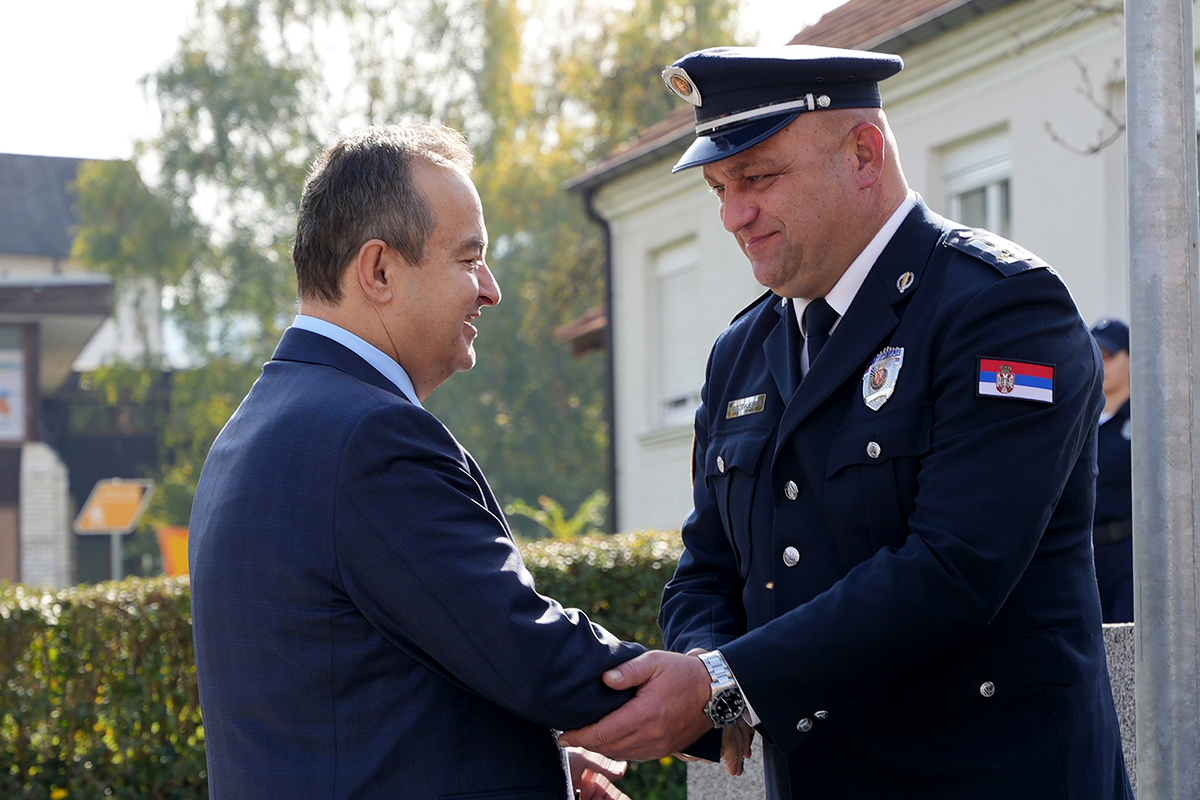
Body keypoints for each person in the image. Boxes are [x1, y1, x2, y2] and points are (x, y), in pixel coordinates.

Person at [560, 45, 1133, 799]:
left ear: (863, 154)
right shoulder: (743, 350)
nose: (734, 215)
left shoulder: (1001, 308)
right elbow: (707, 570)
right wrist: (715, 689)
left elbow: (956, 568)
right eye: (719, 188)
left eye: (758, 178)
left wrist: (721, 682)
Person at [189, 123, 641, 799]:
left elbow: (349, 706)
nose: (490, 289)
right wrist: (720, 693)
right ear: (378, 271)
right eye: (469, 259)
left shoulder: (252, 431)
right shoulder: (370, 437)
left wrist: (541, 769)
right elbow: (524, 652)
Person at [1090, 317, 1133, 623]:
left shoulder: (1145, 422)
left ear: (1130, 359)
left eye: (1110, 355)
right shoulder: (1078, 422)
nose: (1102, 364)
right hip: (1085, 557)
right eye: (1096, 355)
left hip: (1128, 555)